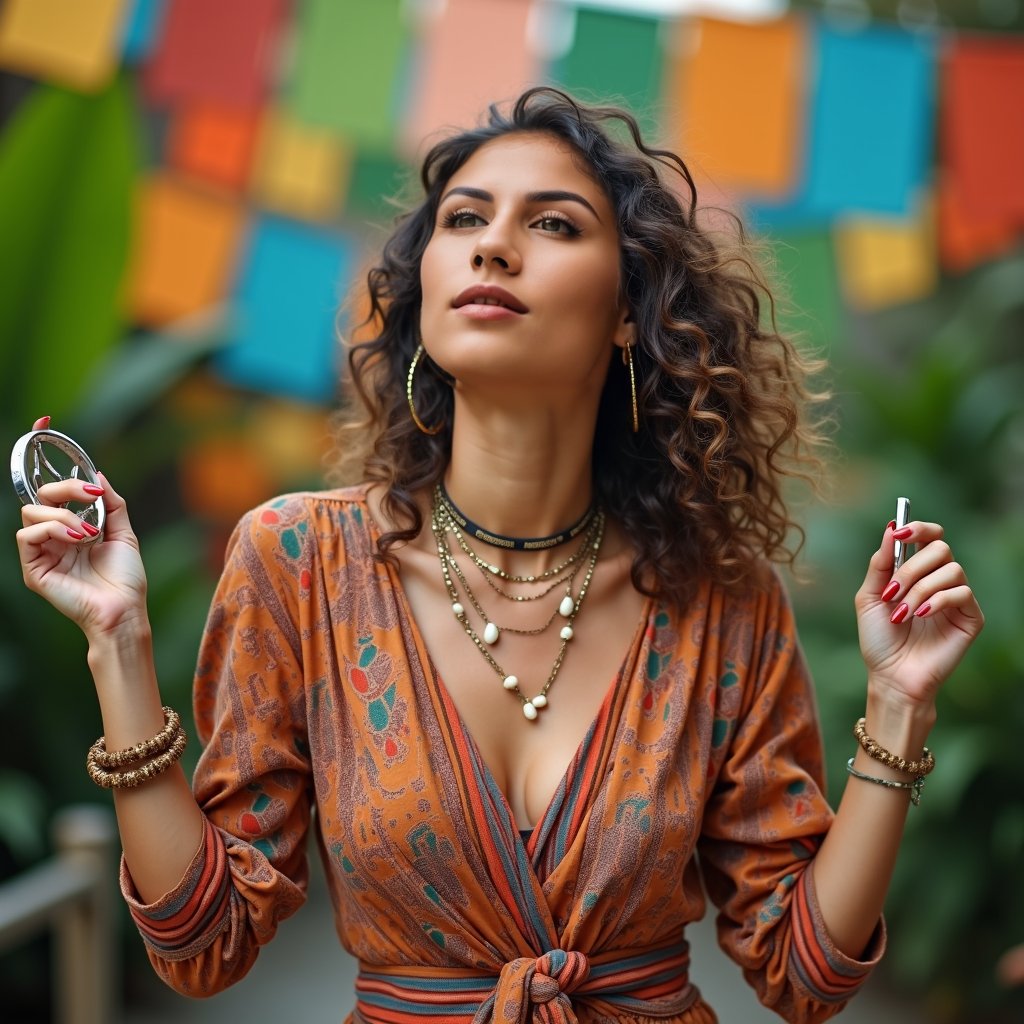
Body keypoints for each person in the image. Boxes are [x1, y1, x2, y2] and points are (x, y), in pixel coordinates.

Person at [16, 88, 983, 1024]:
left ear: (628, 309)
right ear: (426, 290)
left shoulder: (722, 598)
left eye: (553, 224)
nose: (493, 244)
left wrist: (900, 706)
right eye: (464, 218)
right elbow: (204, 944)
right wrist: (118, 642)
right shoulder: (300, 562)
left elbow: (804, 974)